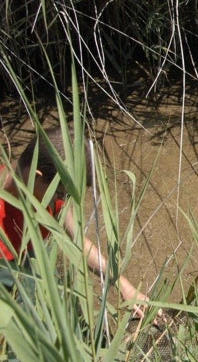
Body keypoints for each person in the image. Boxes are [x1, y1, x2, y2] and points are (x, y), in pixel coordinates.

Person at [0, 127, 152, 318]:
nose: (62, 201)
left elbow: (79, 242)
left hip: (30, 257)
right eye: (61, 193)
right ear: (36, 176)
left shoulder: (51, 197)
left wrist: (123, 285)